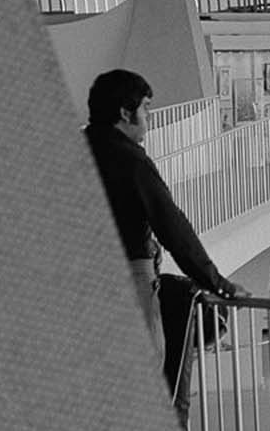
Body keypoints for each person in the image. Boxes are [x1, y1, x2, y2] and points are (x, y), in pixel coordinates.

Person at [82, 69, 242, 401]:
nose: (150, 117)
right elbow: (172, 226)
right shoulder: (129, 159)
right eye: (147, 108)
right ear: (126, 112)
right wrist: (218, 283)